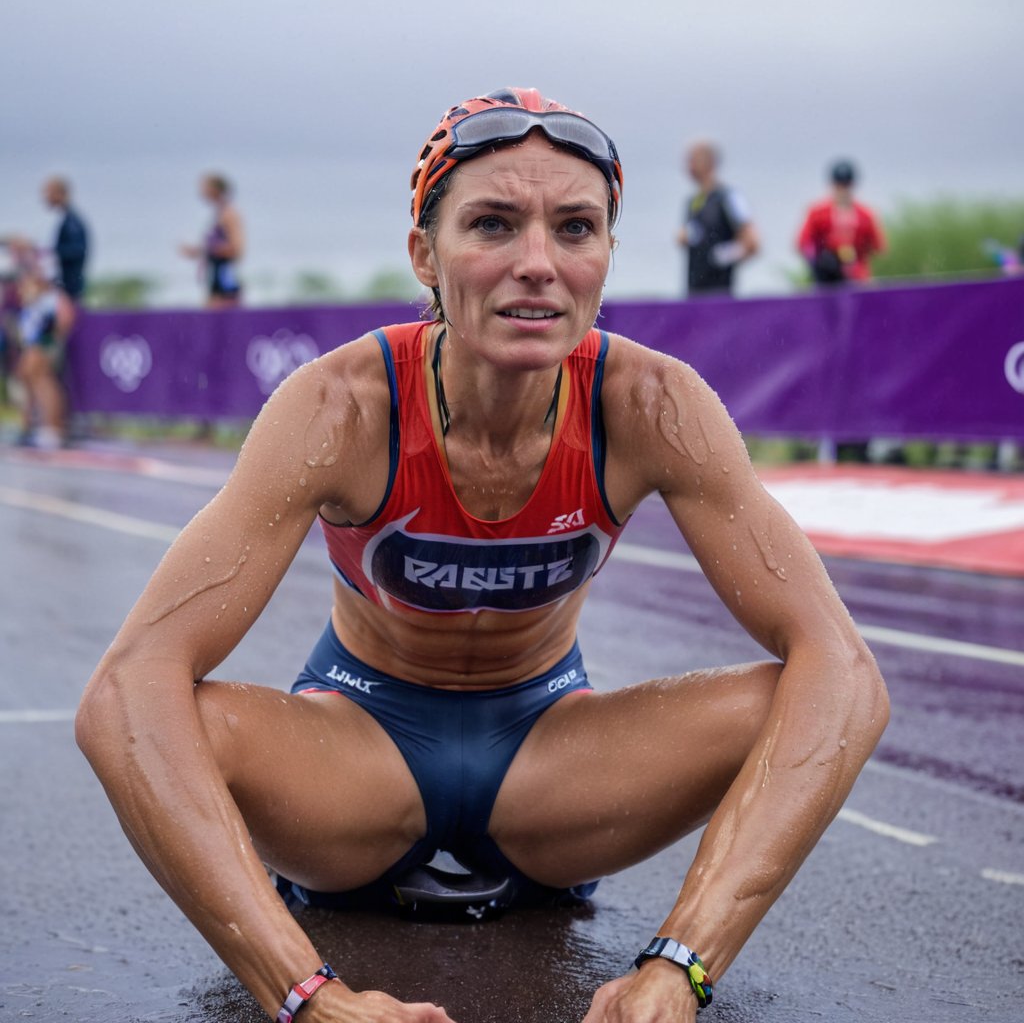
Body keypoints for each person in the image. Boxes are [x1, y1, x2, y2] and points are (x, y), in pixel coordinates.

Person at [77, 88, 888, 1023]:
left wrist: (681, 966)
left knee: (808, 689)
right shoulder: (338, 407)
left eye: (574, 228)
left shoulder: (653, 404)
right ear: (424, 252)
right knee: (169, 712)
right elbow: (124, 691)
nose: (537, 264)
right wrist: (307, 996)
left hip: (554, 771)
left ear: (606, 257)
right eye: (494, 224)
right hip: (353, 761)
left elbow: (847, 674)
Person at [676, 141, 759, 297]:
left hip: (721, 295)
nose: (689, 166)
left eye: (693, 159)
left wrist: (724, 255)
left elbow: (752, 243)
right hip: (693, 294)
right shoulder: (693, 202)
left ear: (709, 162)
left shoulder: (729, 197)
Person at [10, 263, 75, 448]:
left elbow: (65, 320)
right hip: (33, 346)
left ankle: (53, 429)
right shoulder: (34, 300)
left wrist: (47, 340)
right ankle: (34, 426)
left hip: (44, 346)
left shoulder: (53, 298)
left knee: (45, 383)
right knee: (31, 383)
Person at [797, 160, 885, 285]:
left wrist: (856, 257)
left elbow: (878, 247)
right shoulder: (818, 213)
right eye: (839, 184)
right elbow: (803, 243)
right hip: (827, 278)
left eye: (846, 184)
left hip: (858, 277)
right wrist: (818, 260)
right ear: (832, 185)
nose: (843, 189)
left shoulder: (865, 215)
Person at [180, 172, 245, 307]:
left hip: (225, 275)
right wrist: (198, 251)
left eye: (205, 187)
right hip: (216, 274)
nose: (201, 191)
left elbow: (237, 249)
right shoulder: (220, 213)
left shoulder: (229, 214)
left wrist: (207, 250)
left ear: (215, 190)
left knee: (221, 317)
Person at [42, 176, 90, 303]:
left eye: (48, 193)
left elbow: (78, 250)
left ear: (60, 193)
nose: (45, 197)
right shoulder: (68, 219)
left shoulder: (71, 221)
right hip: (68, 286)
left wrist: (51, 252)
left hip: (71, 287)